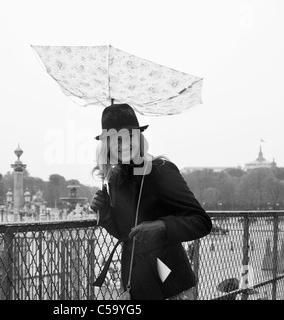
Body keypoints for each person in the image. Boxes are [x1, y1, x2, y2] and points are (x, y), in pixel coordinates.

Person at [90, 103, 212, 300]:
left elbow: (202, 221)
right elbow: (124, 233)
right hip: (135, 283)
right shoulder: (114, 180)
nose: (123, 145)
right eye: (115, 140)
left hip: (170, 284)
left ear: (139, 138)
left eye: (129, 136)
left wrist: (162, 226)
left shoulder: (161, 171)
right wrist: (104, 213)